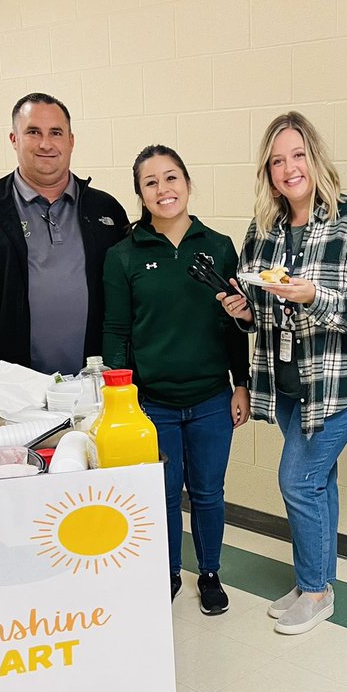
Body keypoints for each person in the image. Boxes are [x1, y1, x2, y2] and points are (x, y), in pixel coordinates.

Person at [217, 112, 347, 636]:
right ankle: (317, 579)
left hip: (341, 382)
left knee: (298, 480)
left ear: (315, 158)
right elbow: (261, 306)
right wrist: (245, 312)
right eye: (277, 161)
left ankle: (315, 592)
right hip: (287, 383)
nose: (289, 168)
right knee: (320, 479)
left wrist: (316, 296)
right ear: (268, 172)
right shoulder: (263, 229)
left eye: (297, 155)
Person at [103, 145, 251, 614]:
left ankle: (209, 574)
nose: (163, 189)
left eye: (171, 178)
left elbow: (235, 321)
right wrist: (119, 400)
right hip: (153, 403)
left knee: (208, 493)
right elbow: (116, 331)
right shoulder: (123, 255)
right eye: (151, 182)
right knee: (163, 495)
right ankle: (166, 571)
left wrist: (241, 383)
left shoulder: (219, 247)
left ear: (187, 183)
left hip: (211, 399)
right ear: (140, 193)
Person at [0, 92, 128, 386]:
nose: (46, 143)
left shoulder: (104, 210)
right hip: (9, 387)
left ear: (70, 141)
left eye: (56, 133)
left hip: (93, 384)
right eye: (33, 132)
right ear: (14, 139)